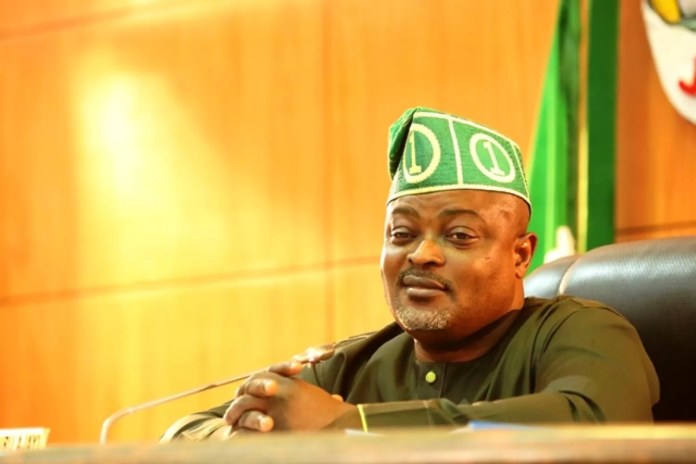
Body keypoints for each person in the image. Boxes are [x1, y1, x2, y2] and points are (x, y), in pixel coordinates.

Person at [162, 107, 658, 441]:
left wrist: (351, 425)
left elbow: (595, 425)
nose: (421, 254)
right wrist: (247, 432)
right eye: (402, 234)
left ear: (520, 255)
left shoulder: (581, 330)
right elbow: (183, 434)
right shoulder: (352, 363)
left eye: (459, 235)